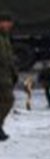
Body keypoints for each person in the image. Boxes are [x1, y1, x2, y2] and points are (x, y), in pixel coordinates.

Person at [0, 10, 16, 141]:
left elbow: (8, 58)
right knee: (7, 100)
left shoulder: (5, 37)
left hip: (5, 75)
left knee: (7, 101)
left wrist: (13, 72)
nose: (10, 25)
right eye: (8, 22)